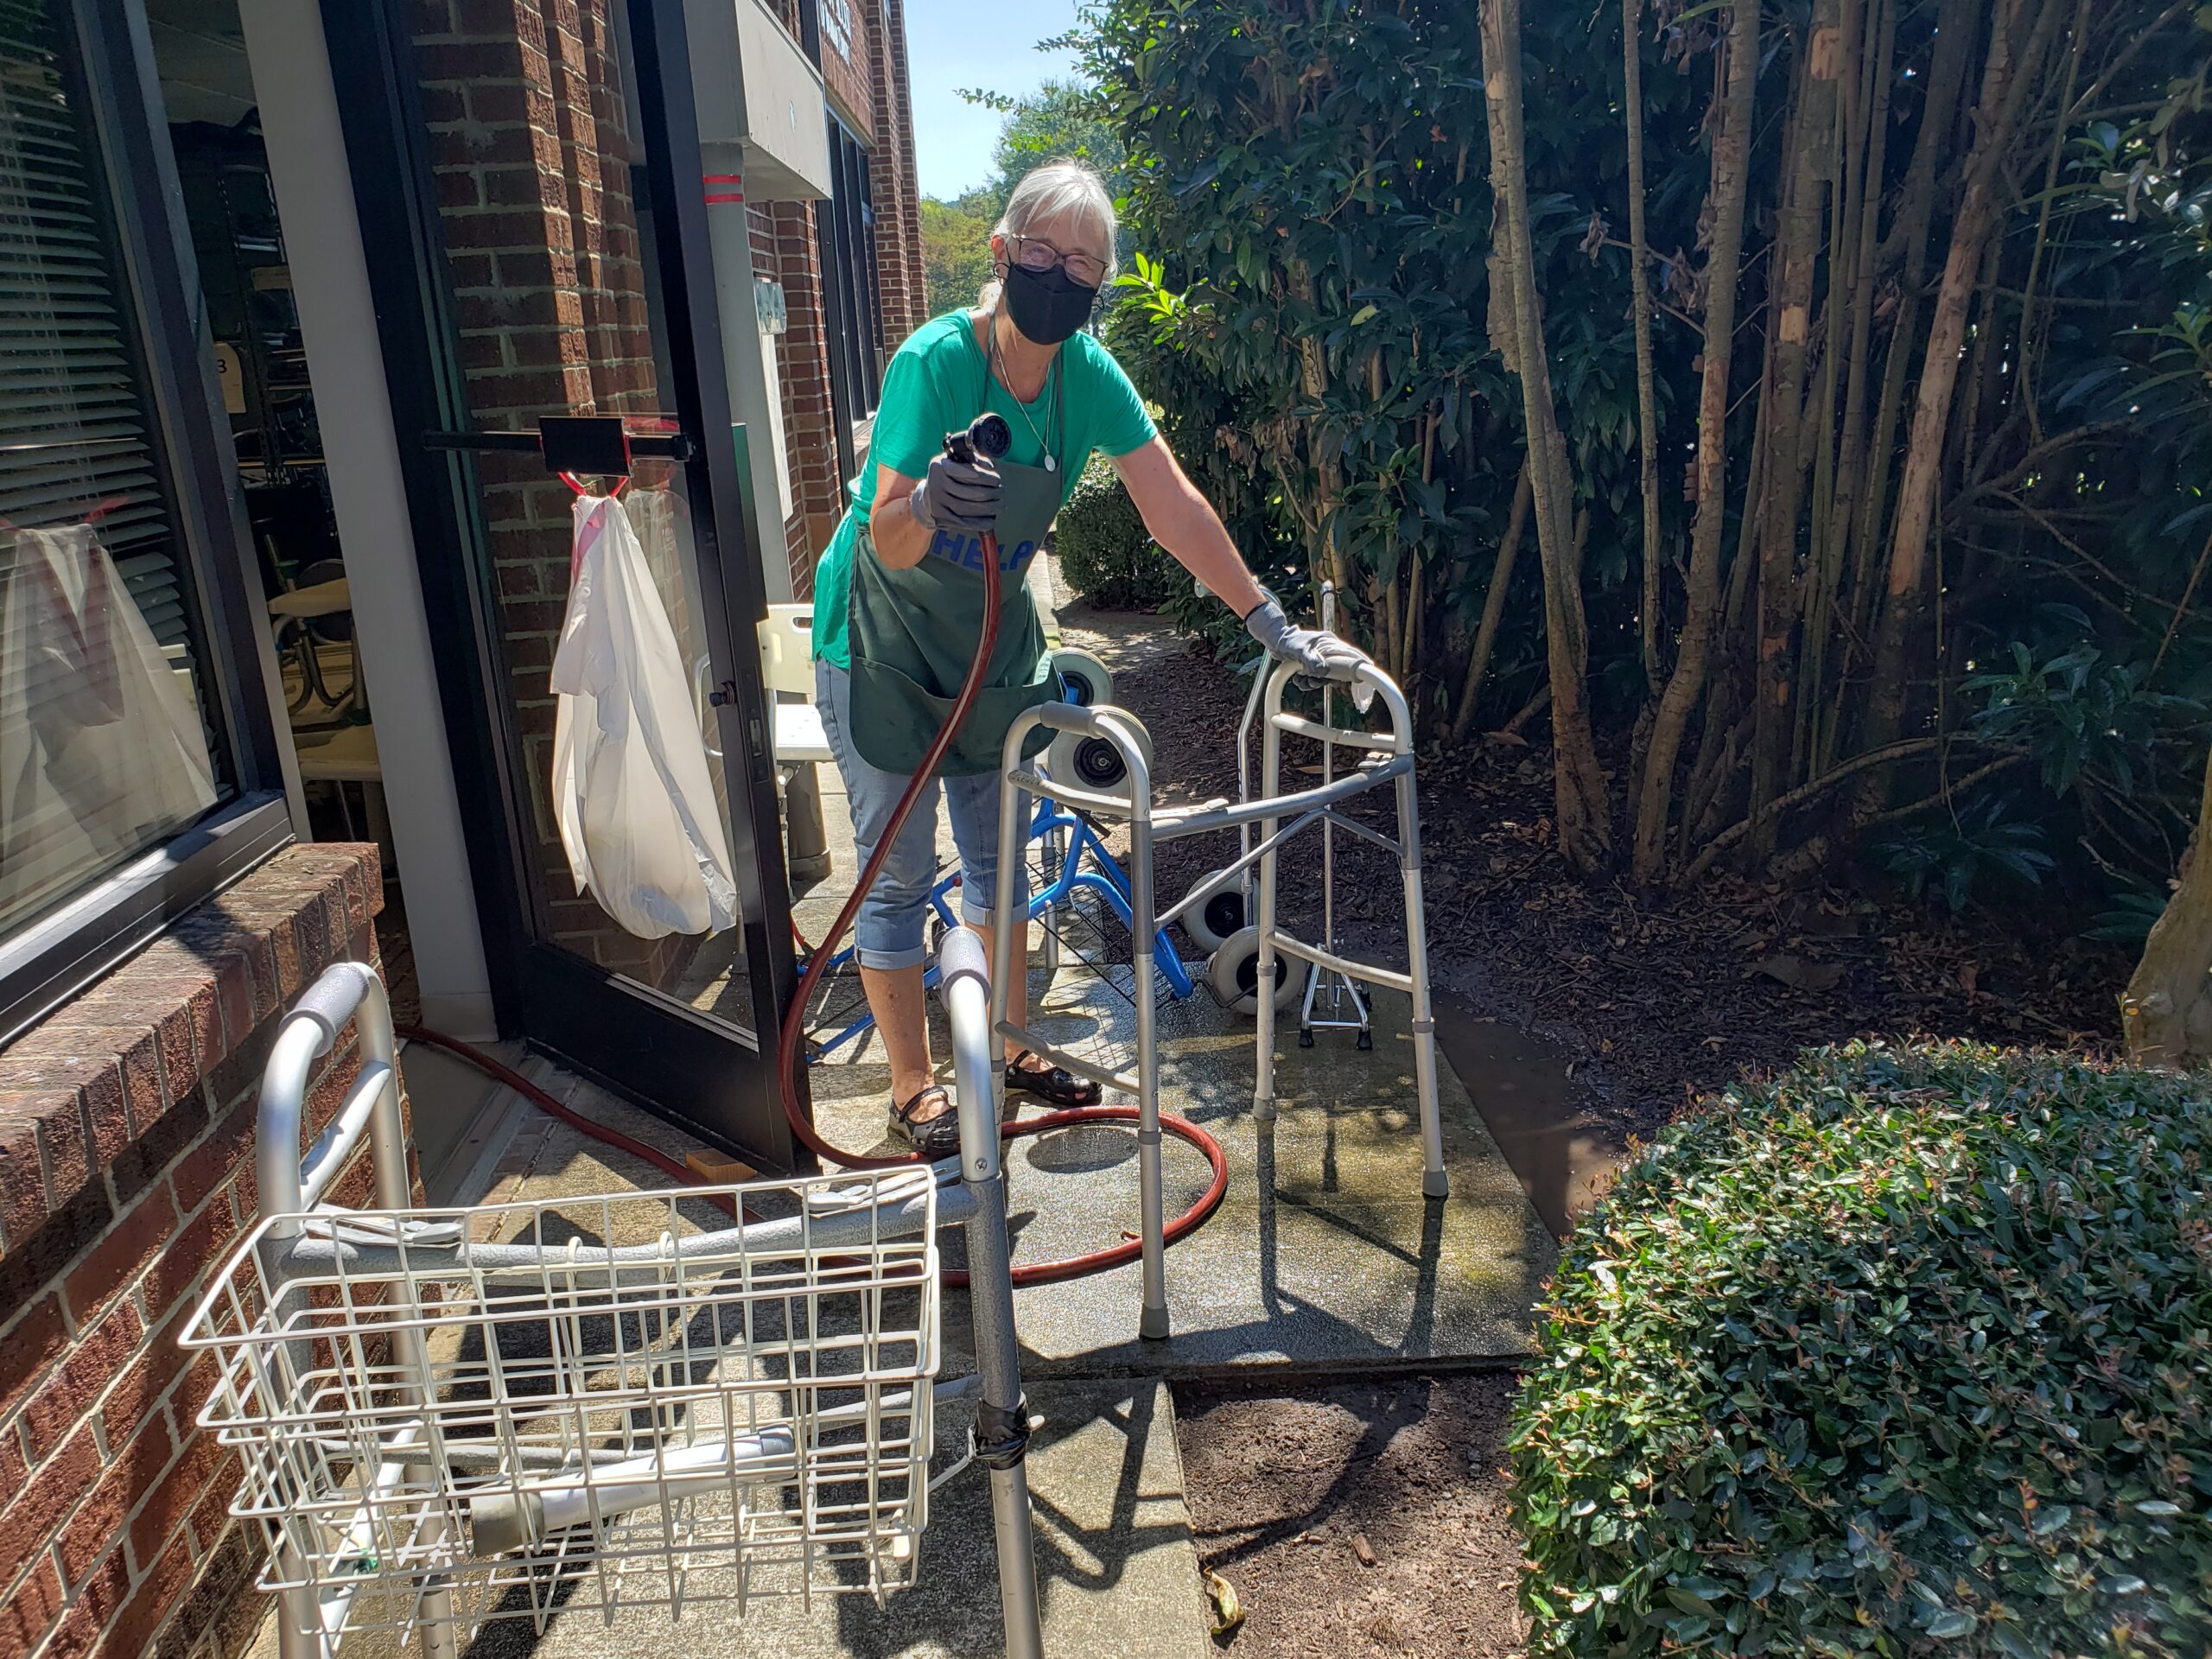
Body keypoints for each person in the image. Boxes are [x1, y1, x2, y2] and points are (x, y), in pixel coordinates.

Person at [811, 158, 1366, 1159]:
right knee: (896, 874)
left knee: (1001, 867)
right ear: (1001, 252)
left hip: (991, 643)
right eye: (1041, 253)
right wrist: (931, 503)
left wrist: (1267, 620)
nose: (1060, 276)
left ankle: (1012, 1047)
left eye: (1084, 263)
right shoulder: (933, 362)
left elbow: (1170, 504)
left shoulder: (1086, 378)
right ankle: (913, 1088)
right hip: (881, 644)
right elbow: (883, 531)